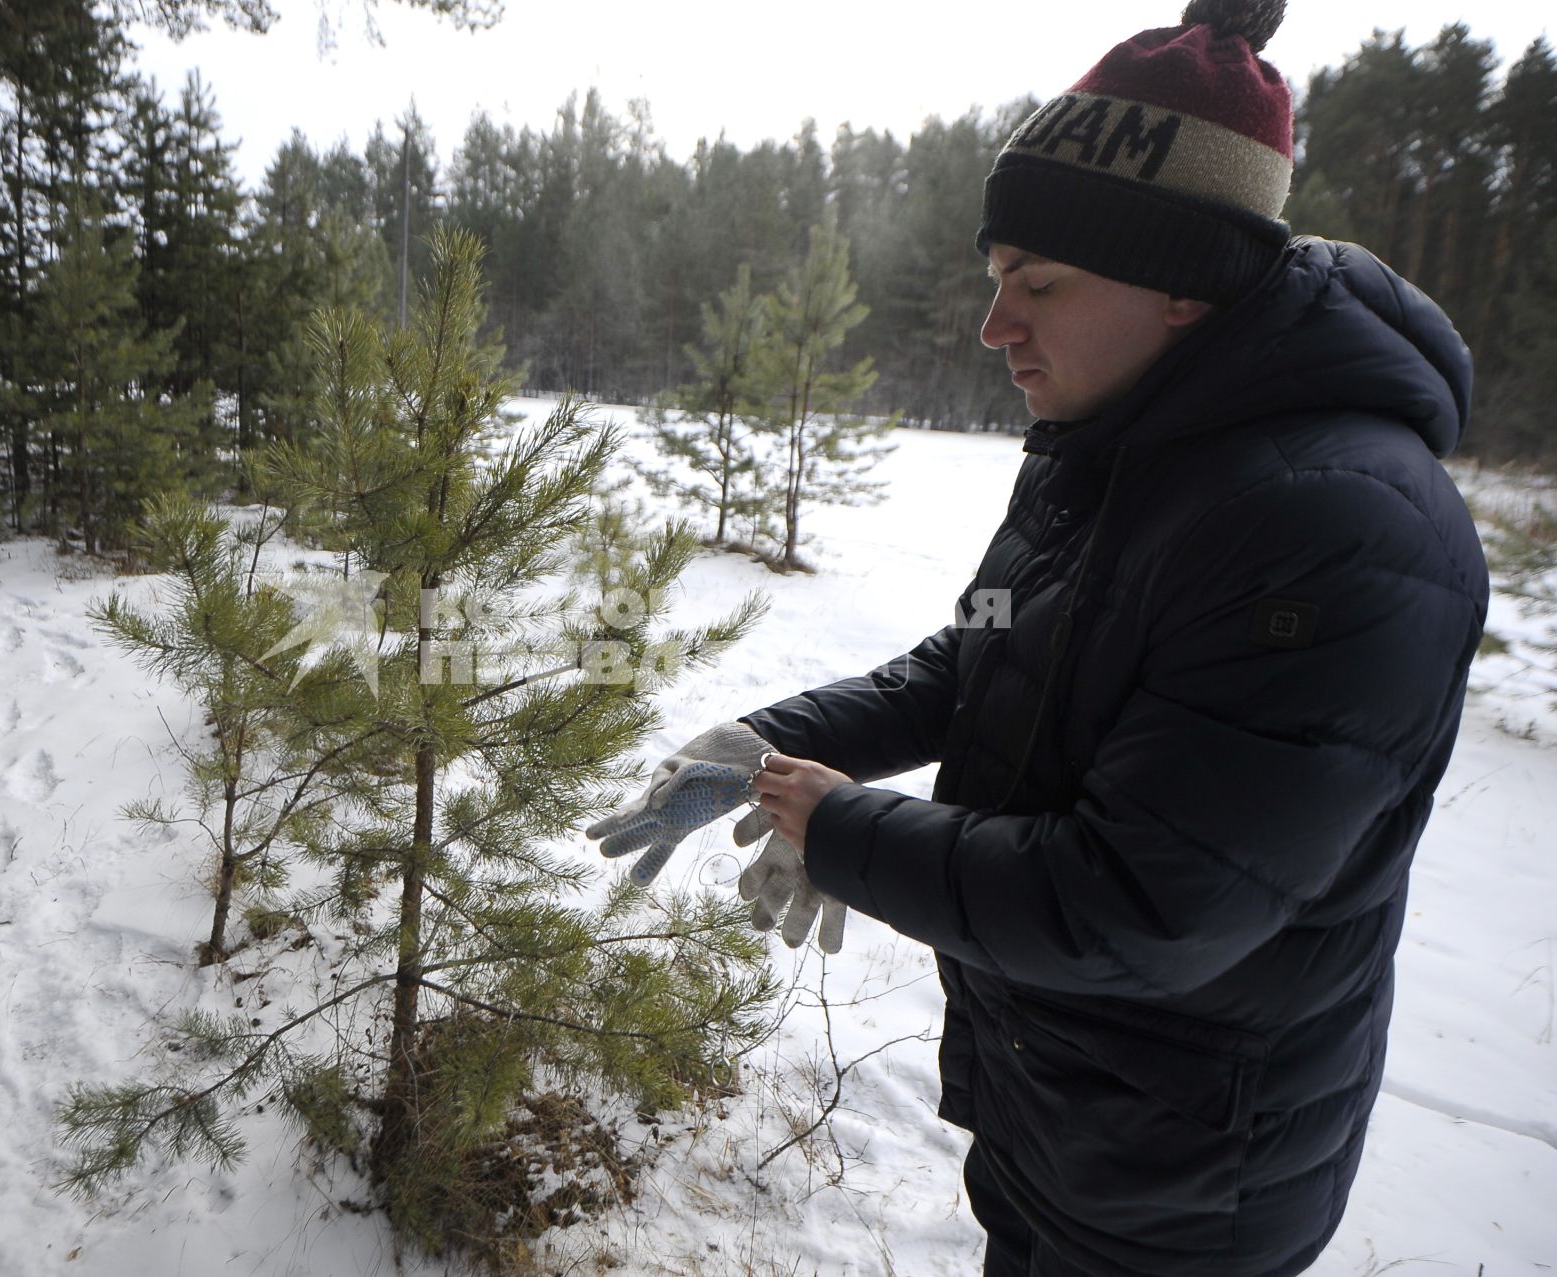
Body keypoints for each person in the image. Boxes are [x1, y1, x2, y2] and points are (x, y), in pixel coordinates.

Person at [585, 0, 1492, 1273]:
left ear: (1188, 283)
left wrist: (841, 829)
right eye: (993, 276)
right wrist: (771, 741)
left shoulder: (1338, 529)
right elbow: (977, 653)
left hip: (1184, 1185)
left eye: (1040, 284)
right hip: (1063, 1104)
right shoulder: (1101, 455)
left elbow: (1141, 903)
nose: (992, 326)